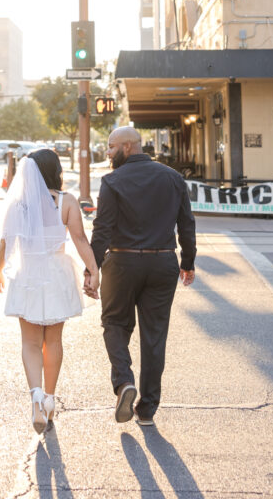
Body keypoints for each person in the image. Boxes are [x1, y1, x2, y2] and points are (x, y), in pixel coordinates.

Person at [86, 126, 196, 426]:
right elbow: (187, 223)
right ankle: (147, 408)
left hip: (122, 263)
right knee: (155, 335)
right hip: (163, 262)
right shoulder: (173, 178)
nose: (107, 153)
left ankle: (124, 383)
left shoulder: (112, 181)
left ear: (127, 146)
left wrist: (92, 268)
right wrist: (188, 261)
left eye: (111, 147)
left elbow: (102, 229)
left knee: (114, 324)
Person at [0, 148, 100, 433]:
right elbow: (80, 239)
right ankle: (50, 400)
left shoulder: (18, 203)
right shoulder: (66, 201)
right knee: (53, 341)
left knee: (29, 342)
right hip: (56, 274)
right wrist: (93, 270)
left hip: (27, 273)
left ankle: (36, 397)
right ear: (56, 170)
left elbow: (6, 242)